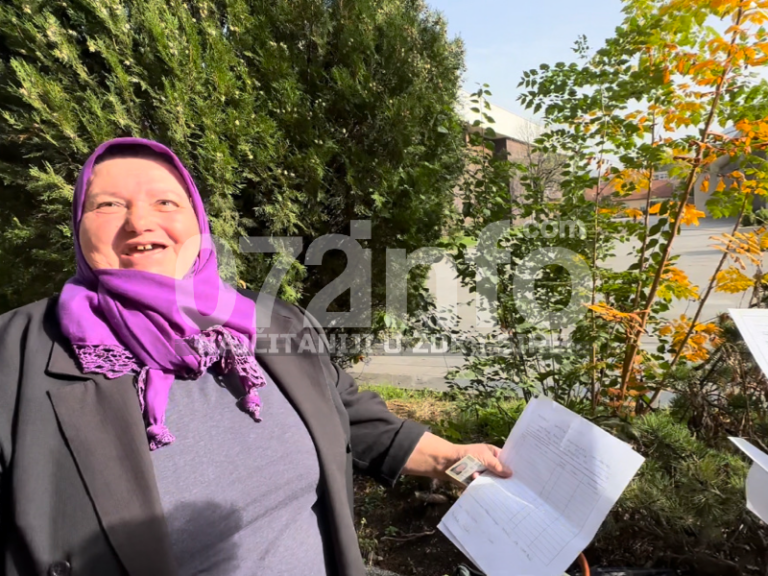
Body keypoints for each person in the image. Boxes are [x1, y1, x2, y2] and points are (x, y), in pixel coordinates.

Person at [0, 137, 512, 576]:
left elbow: (349, 417)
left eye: (165, 203)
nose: (138, 222)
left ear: (197, 221)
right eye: (107, 205)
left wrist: (453, 458)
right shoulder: (17, 353)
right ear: (78, 226)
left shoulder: (270, 323)